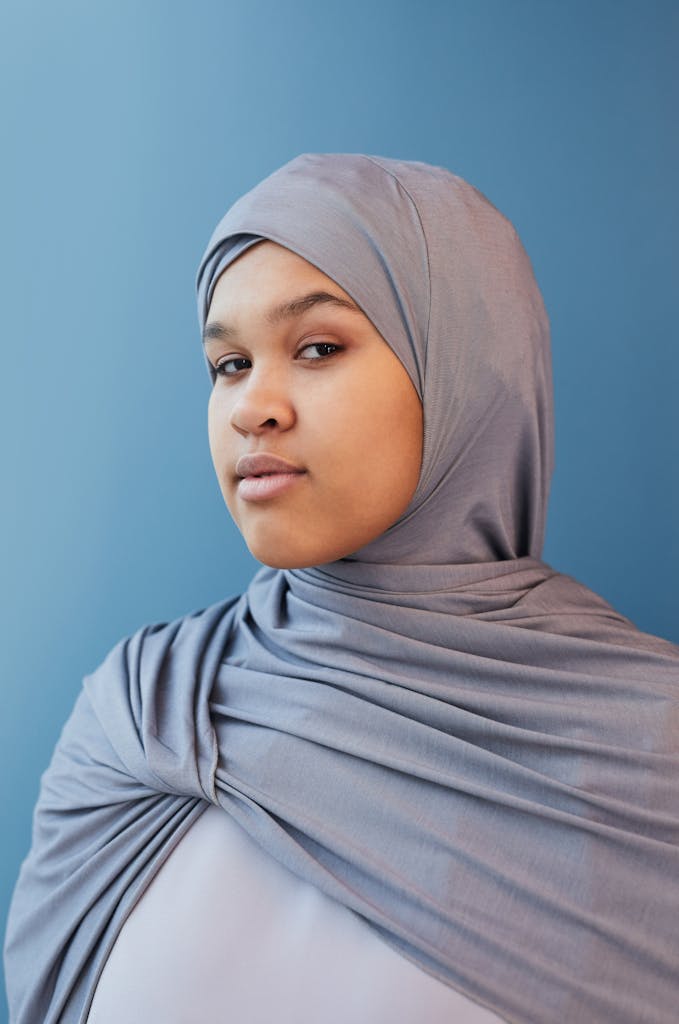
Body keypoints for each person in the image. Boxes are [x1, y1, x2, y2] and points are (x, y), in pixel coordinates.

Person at [4, 153, 679, 1024]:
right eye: (229, 365)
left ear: (464, 367)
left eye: (317, 348)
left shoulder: (652, 748)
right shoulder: (141, 718)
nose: (253, 407)